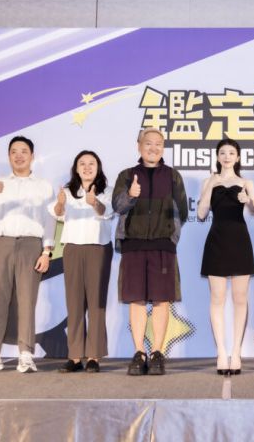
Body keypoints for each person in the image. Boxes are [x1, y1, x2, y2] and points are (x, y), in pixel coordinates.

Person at [0, 136, 56, 374]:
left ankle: (26, 354)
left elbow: (49, 220)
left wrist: (47, 251)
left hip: (31, 244)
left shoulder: (44, 186)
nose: (19, 156)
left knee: (27, 300)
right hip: (1, 243)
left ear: (32, 156)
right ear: (9, 156)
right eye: (14, 152)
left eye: (23, 151)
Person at [112, 128, 188, 376]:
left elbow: (182, 211)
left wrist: (170, 235)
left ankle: (156, 352)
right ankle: (139, 352)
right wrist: (130, 195)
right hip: (133, 245)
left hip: (162, 245)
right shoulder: (127, 175)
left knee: (161, 300)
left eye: (158, 144)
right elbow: (117, 206)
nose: (153, 148)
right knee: (136, 299)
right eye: (148, 143)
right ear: (139, 146)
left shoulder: (173, 176)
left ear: (163, 148)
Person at [198, 139, 254, 375]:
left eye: (231, 153)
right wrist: (210, 186)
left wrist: (248, 201)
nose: (226, 156)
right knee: (217, 297)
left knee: (240, 297)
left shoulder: (246, 182)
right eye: (222, 153)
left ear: (238, 157)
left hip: (240, 241)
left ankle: (236, 352)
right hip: (217, 240)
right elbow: (201, 213)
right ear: (217, 157)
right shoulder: (208, 181)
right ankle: (221, 352)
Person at [49, 150, 114, 373]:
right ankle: (75, 357)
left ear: (98, 167)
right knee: (74, 303)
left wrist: (94, 202)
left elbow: (106, 212)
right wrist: (60, 203)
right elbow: (58, 214)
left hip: (99, 248)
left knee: (96, 303)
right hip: (73, 249)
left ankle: (94, 356)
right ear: (76, 169)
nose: (87, 167)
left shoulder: (107, 191)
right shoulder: (67, 192)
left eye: (91, 163)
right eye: (82, 164)